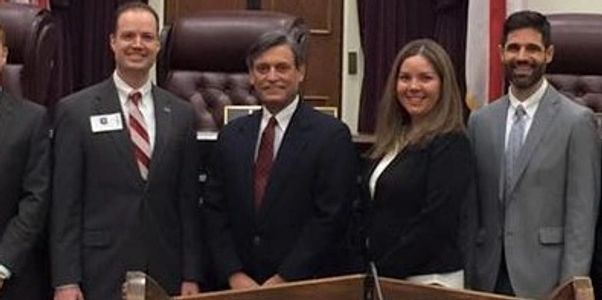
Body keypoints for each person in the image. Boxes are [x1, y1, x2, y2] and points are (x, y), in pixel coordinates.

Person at [50, 3, 202, 300]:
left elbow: (188, 203)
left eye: (146, 37)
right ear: (112, 42)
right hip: (98, 269)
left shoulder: (182, 114)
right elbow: (65, 204)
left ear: (158, 44)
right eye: (128, 36)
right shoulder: (75, 111)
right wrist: (66, 280)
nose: (137, 44)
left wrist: (191, 274)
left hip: (164, 269)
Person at [204, 31, 357, 290]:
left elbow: (330, 217)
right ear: (251, 76)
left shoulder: (331, 136)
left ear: (301, 72)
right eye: (262, 68)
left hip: (302, 285)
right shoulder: (231, 135)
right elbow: (214, 210)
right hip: (238, 286)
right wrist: (233, 273)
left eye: (282, 68)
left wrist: (285, 279)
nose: (272, 76)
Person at [467, 10, 600, 298]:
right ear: (501, 53)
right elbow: (474, 208)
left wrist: (570, 286)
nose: (522, 56)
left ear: (548, 54)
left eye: (532, 49)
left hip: (546, 279)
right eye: (514, 48)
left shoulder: (577, 122)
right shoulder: (480, 121)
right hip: (487, 276)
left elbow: (582, 215)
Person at [362, 38, 473, 288]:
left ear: (443, 86)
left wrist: (383, 271)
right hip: (387, 278)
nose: (413, 86)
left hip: (429, 281)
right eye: (405, 78)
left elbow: (436, 223)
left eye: (425, 78)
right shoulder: (392, 139)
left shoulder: (452, 143)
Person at [0, 23, 51, 300]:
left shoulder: (31, 120)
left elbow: (36, 199)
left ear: (4, 55)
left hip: (10, 279)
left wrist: (2, 266)